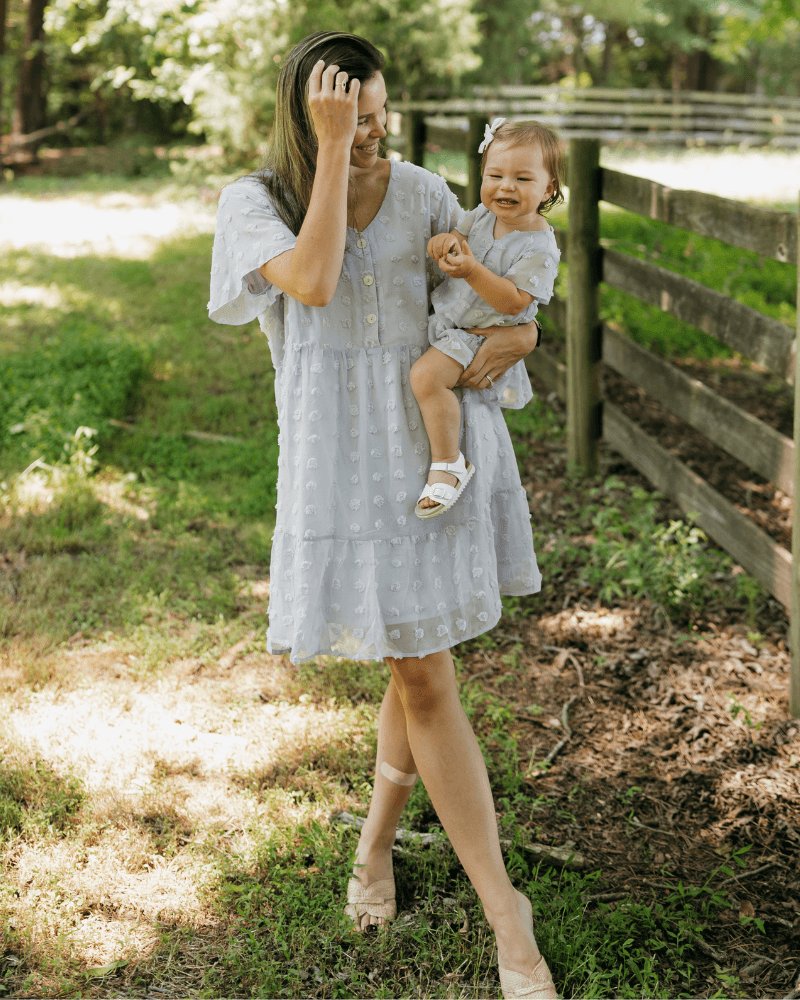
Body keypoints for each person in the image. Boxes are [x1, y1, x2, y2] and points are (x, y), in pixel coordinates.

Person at [208, 30, 557, 1000]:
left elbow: (491, 289)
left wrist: (521, 326)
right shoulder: (254, 203)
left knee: (422, 670)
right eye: (348, 121)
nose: (370, 137)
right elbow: (314, 282)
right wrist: (328, 157)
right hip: (333, 466)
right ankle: (374, 848)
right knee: (414, 667)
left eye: (377, 119)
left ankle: (503, 914)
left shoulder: (423, 195)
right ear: (308, 118)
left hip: (426, 459)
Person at [411, 118, 562, 518]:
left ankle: (448, 465)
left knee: (425, 378)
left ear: (548, 188)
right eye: (495, 175)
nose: (505, 186)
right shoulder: (481, 215)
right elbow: (460, 239)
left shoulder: (538, 247)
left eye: (522, 178)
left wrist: (472, 270)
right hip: (454, 324)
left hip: (482, 334)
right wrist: (446, 243)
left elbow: (514, 302)